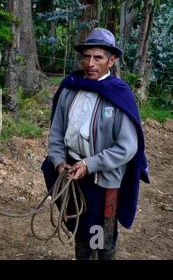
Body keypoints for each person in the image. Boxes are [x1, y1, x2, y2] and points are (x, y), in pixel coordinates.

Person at [42, 27, 150, 260]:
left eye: (98, 57)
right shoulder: (69, 88)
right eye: (86, 57)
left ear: (111, 61)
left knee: (101, 234)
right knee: (80, 229)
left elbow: (127, 147)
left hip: (102, 178)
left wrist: (89, 164)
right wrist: (59, 161)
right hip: (71, 173)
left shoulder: (118, 94)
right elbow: (57, 131)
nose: (90, 63)